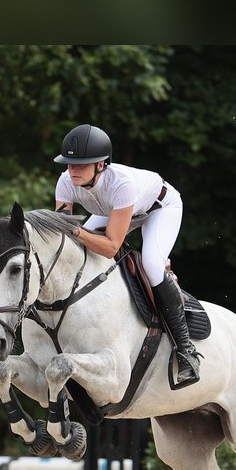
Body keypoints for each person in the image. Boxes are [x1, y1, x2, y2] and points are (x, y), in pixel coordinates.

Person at [52, 123, 200, 386]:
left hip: (159, 208)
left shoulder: (121, 183)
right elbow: (66, 230)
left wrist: (77, 233)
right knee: (78, 249)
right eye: (69, 164)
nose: (72, 170)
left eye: (80, 165)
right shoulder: (65, 182)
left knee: (152, 265)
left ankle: (186, 350)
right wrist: (73, 234)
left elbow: (110, 246)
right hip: (113, 209)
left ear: (100, 164)